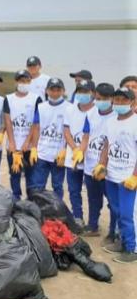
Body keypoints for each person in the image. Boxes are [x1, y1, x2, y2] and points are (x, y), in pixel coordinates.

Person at [93, 87, 137, 263]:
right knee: (116, 211)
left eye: (124, 100)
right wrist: (102, 164)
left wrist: (135, 176)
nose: (119, 103)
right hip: (111, 175)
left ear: (132, 102)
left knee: (127, 214)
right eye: (117, 99)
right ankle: (122, 242)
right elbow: (106, 145)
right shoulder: (111, 122)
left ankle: (132, 249)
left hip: (128, 178)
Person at [83, 83, 117, 241]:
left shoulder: (116, 116)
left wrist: (103, 164)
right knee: (93, 198)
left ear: (112, 99)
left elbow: (112, 142)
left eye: (104, 98)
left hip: (109, 169)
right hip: (90, 165)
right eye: (98, 98)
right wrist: (79, 151)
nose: (100, 101)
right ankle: (92, 226)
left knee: (113, 202)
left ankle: (113, 232)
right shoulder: (90, 113)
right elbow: (86, 135)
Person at [3, 69, 42, 199]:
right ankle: (16, 198)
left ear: (30, 82)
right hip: (13, 146)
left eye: (26, 81)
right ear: (16, 82)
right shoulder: (8, 99)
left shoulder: (36, 99)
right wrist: (12, 143)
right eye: (21, 81)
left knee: (31, 175)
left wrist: (27, 142)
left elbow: (36, 123)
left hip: (29, 147)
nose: (23, 83)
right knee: (14, 174)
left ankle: (31, 199)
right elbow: (8, 121)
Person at [28, 77, 69, 199]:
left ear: (63, 91)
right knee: (38, 186)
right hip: (42, 154)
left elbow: (71, 130)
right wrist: (34, 148)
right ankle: (38, 206)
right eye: (52, 90)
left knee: (57, 186)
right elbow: (36, 127)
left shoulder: (69, 107)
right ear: (46, 91)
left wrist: (66, 149)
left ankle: (57, 208)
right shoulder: (41, 107)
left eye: (58, 90)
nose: (55, 93)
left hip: (58, 155)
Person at [63, 79, 95, 228]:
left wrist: (82, 151)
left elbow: (89, 136)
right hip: (73, 157)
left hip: (91, 159)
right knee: (74, 190)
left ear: (93, 93)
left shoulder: (97, 111)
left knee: (93, 194)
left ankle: (93, 223)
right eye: (80, 91)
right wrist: (75, 149)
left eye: (86, 91)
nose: (83, 94)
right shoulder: (70, 109)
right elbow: (66, 131)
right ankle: (78, 217)